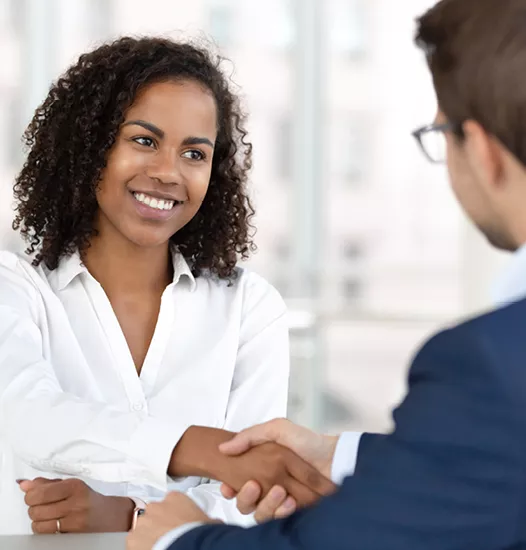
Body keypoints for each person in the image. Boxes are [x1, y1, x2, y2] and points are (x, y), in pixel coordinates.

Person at [127, 0, 526, 548]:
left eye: (441, 136)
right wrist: (338, 454)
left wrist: (174, 539)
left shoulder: (492, 365)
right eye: (143, 140)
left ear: (482, 151)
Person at [0, 37, 334, 535]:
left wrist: (133, 516)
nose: (167, 173)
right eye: (143, 140)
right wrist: (201, 450)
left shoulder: (248, 307)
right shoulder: (17, 288)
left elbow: (256, 495)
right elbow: (27, 415)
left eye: (194, 153)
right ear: (90, 147)